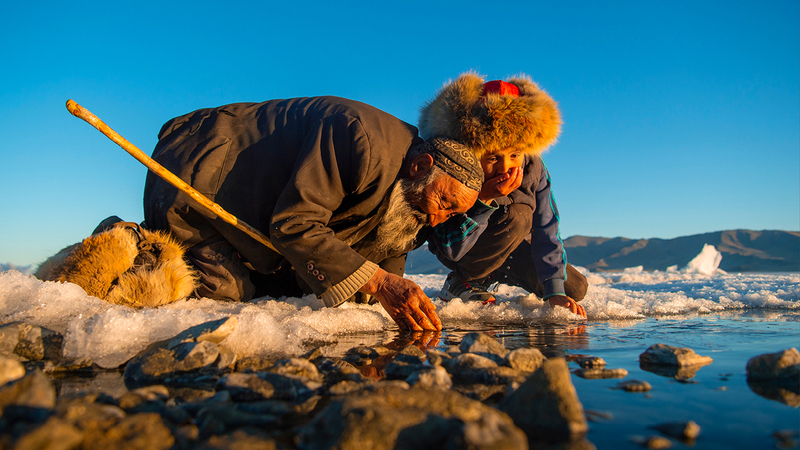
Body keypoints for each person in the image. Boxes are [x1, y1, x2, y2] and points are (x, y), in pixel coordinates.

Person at [142, 96, 485, 331]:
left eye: (453, 213)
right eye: (445, 203)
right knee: (224, 302)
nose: (440, 219)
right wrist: (381, 284)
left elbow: (387, 254)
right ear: (419, 166)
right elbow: (295, 224)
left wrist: (386, 299)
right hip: (197, 175)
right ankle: (131, 242)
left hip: (256, 209)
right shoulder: (358, 139)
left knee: (292, 296)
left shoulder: (416, 196)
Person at [419, 73, 588, 317]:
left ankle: (493, 273)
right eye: (493, 157)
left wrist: (555, 291)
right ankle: (463, 281)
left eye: (514, 155)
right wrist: (484, 199)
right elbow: (449, 248)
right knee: (518, 215)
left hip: (508, 245)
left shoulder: (533, 168)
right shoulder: (456, 166)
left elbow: (546, 227)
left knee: (574, 288)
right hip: (461, 247)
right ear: (477, 151)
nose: (505, 167)